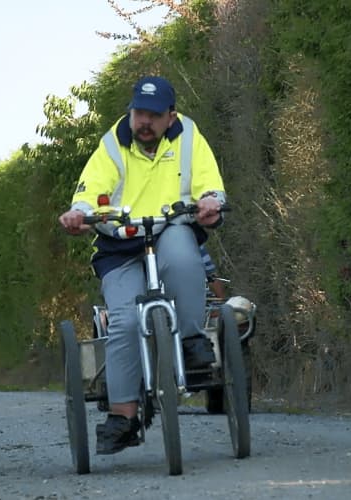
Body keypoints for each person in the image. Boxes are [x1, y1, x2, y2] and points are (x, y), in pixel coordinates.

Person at [58, 76, 226, 455]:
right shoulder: (112, 144)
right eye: (139, 113)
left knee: (185, 257)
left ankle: (191, 338)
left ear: (171, 116)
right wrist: (78, 213)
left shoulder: (188, 136)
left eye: (153, 115)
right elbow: (89, 191)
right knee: (125, 320)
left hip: (171, 228)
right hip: (119, 244)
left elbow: (208, 182)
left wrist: (211, 202)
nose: (144, 122)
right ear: (131, 112)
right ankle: (123, 415)